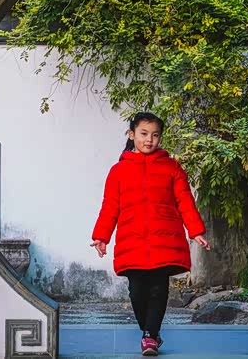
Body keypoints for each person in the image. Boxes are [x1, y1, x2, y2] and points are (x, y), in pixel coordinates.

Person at [90, 112, 211, 356]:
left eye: (155, 135)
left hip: (164, 239)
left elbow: (184, 200)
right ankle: (151, 333)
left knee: (158, 289)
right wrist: (102, 236)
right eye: (144, 134)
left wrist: (195, 230)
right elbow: (110, 206)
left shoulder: (172, 167)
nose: (149, 140)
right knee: (136, 292)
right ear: (131, 134)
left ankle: (149, 337)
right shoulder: (118, 171)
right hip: (132, 240)